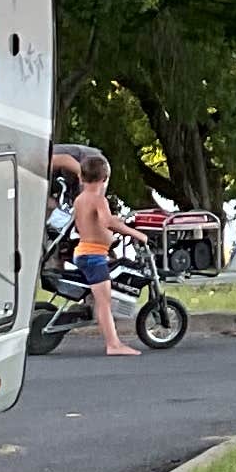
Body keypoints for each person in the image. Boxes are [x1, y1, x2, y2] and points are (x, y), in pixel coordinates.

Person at [66, 153, 141, 357]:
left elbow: (92, 224)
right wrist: (136, 234)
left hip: (85, 251)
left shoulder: (81, 199)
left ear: (81, 177)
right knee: (104, 302)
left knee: (103, 298)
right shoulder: (99, 199)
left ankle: (113, 341)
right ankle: (113, 344)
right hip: (93, 256)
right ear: (105, 178)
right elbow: (108, 222)